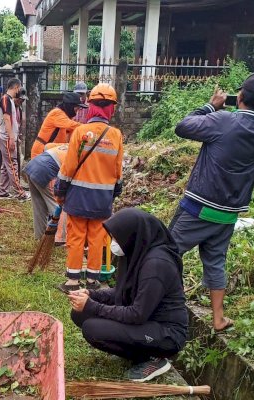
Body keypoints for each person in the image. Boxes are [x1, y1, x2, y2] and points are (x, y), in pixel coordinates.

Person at [169, 74, 254, 332]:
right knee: (215, 260)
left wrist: (211, 105)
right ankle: (218, 318)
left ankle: (167, 305)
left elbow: (183, 126)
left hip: (198, 206)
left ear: (241, 97)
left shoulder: (223, 120)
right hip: (228, 214)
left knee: (166, 251)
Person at [68, 208, 188, 382]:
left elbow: (137, 314)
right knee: (80, 314)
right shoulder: (137, 252)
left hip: (166, 333)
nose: (114, 243)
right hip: (146, 320)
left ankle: (153, 359)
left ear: (132, 235)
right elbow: (121, 292)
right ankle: (133, 349)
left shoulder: (156, 265)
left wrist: (93, 305)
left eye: (116, 238)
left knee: (92, 328)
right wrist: (91, 294)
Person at [55, 83, 123, 291]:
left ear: (90, 106)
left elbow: (68, 167)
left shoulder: (80, 132)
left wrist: (60, 190)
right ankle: (93, 281)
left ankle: (73, 281)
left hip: (78, 195)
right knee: (97, 238)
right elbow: (118, 171)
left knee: (76, 237)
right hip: (102, 198)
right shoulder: (116, 135)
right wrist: (114, 193)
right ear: (111, 107)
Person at [24, 144, 68, 239]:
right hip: (47, 171)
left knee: (39, 206)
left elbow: (47, 146)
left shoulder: (69, 145)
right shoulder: (84, 156)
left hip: (33, 165)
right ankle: (61, 239)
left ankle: (39, 236)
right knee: (59, 207)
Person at [0, 78, 30, 201]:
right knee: (12, 165)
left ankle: (3, 192)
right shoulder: (6, 99)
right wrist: (11, 138)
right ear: (16, 87)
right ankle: (20, 193)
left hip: (7, 137)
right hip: (6, 137)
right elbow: (6, 118)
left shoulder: (9, 100)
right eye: (19, 88)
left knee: (6, 166)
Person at [30, 92, 85, 159]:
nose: (78, 110)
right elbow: (72, 125)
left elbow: (71, 131)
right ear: (70, 106)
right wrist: (90, 127)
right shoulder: (57, 113)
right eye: (77, 107)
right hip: (41, 151)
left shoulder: (65, 116)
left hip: (51, 151)